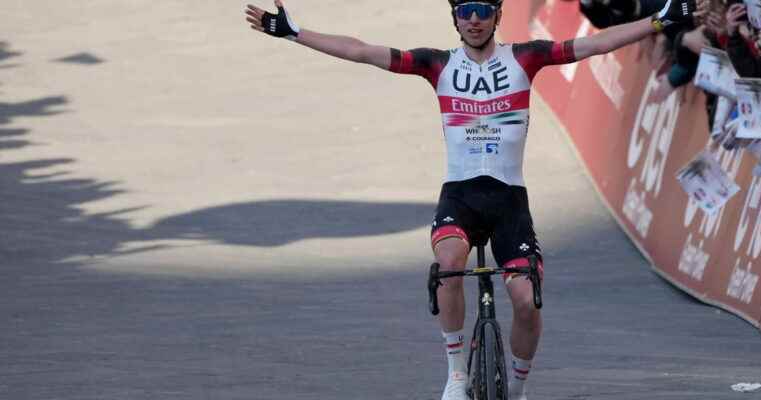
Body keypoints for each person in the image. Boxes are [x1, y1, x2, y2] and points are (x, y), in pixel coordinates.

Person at [244, 1, 676, 398]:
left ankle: (519, 389)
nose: (474, 19)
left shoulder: (527, 56)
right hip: (460, 197)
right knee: (450, 266)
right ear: (455, 17)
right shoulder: (437, 64)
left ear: (497, 16)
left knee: (526, 302)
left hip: (510, 202)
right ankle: (456, 374)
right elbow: (362, 51)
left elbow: (597, 43)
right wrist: (294, 32)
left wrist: (658, 19)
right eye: (465, 10)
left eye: (482, 11)